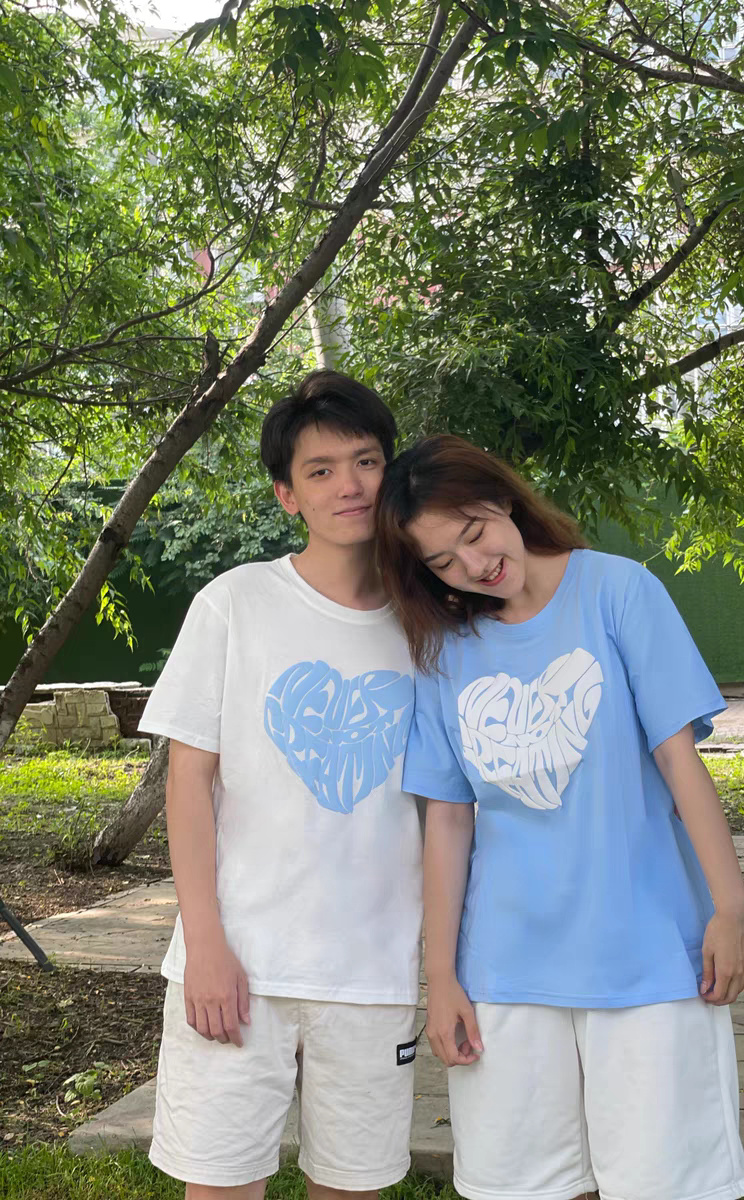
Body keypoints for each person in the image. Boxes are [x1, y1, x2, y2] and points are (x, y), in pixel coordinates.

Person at [375, 433, 744, 1200]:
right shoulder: (445, 651)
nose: (473, 564)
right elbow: (448, 820)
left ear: (502, 499)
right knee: (522, 1187)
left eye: (474, 532)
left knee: (666, 1186)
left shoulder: (619, 592)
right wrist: (441, 977)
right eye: (443, 561)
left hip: (646, 951)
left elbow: (679, 761)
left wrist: (730, 908)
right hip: (505, 968)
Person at [138, 371, 423, 1200]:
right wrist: (206, 945)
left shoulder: (428, 621)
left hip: (372, 972)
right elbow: (189, 783)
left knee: (354, 1187)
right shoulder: (235, 603)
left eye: (366, 461)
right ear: (287, 495)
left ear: (391, 470)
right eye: (321, 470)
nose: (349, 485)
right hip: (240, 965)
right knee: (220, 1184)